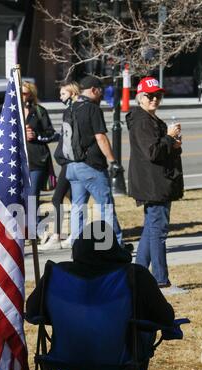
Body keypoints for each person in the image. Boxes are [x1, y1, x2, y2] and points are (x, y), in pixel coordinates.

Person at [26, 220, 175, 370]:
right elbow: (165, 318)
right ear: (113, 248)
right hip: (120, 361)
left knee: (82, 326)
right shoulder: (134, 276)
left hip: (67, 359)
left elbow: (32, 312)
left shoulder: (59, 275)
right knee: (143, 330)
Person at [126, 76, 185, 294]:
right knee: (158, 231)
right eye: (149, 96)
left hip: (155, 182)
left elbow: (158, 149)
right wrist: (169, 138)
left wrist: (174, 143)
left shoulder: (149, 119)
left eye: (157, 96)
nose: (154, 100)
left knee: (151, 230)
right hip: (153, 184)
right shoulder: (142, 121)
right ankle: (161, 281)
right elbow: (152, 152)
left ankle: (137, 275)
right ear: (140, 98)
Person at [64, 75, 125, 247]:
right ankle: (115, 246)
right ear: (94, 90)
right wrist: (113, 161)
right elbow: (101, 138)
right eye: (101, 91)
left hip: (72, 166)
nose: (101, 95)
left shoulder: (70, 108)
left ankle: (77, 247)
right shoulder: (92, 109)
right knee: (106, 206)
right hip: (91, 166)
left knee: (78, 208)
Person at [39, 81, 80, 251]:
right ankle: (76, 234)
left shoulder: (73, 111)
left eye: (63, 94)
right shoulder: (69, 111)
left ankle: (57, 235)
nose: (60, 97)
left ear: (72, 93)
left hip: (69, 162)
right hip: (67, 161)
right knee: (74, 198)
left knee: (57, 199)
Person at [22, 81, 56, 237]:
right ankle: (23, 228)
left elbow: (51, 133)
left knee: (32, 195)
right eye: (20, 93)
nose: (22, 96)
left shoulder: (39, 111)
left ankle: (34, 230)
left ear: (31, 94)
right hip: (18, 160)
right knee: (20, 196)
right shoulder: (12, 112)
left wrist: (36, 136)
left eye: (25, 93)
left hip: (37, 160)